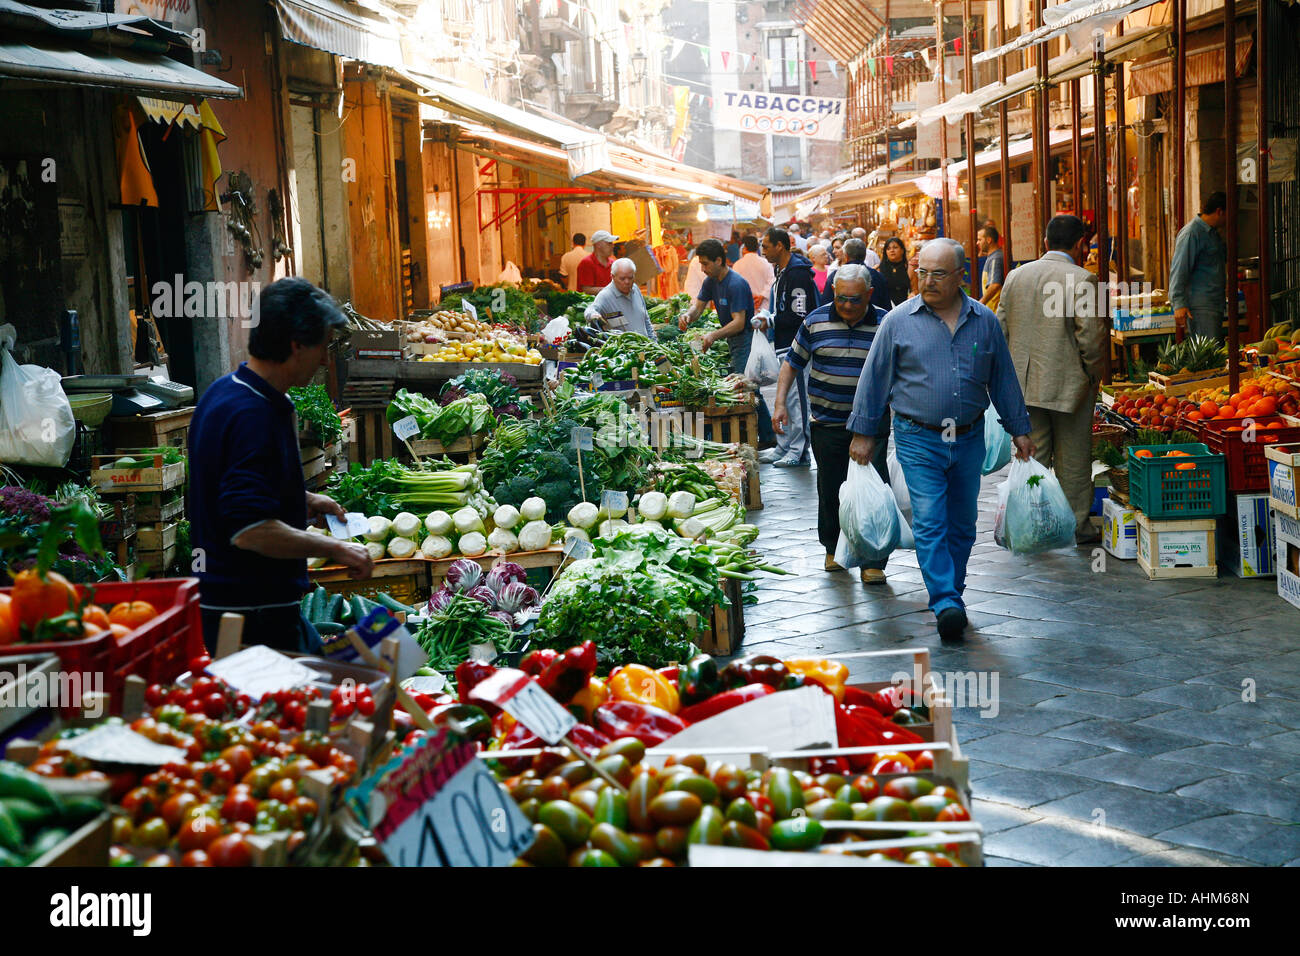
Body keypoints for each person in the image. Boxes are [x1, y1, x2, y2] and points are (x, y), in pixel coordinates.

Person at [848, 239, 1035, 641]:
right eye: (922, 272)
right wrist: (863, 433)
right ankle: (946, 601)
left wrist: (1019, 428)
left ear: (960, 276)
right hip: (918, 436)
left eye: (937, 273)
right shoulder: (898, 322)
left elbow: (1002, 377)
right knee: (930, 519)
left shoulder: (984, 321)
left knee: (963, 524)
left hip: (967, 438)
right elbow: (874, 378)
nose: (926, 281)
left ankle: (955, 591)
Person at [188, 278, 374, 653]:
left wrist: (299, 497)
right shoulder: (251, 413)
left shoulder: (227, 391)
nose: (325, 359)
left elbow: (233, 486)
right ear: (296, 344)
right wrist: (335, 548)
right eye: (322, 346)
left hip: (252, 607)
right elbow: (248, 530)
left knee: (349, 666)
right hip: (250, 618)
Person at [776, 265, 892, 585]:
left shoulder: (886, 323)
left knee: (873, 490)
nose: (847, 306)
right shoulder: (815, 320)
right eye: (841, 298)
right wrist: (779, 402)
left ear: (869, 294)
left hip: (871, 424)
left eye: (854, 300)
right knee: (831, 488)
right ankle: (834, 548)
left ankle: (873, 559)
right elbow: (792, 364)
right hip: (827, 421)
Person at [997, 215, 1104, 542]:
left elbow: (999, 330)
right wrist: (1090, 376)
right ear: (1079, 245)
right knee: (1074, 461)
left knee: (1032, 457)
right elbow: (1093, 339)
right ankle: (1075, 527)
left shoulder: (1015, 277)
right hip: (1071, 386)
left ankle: (1032, 525)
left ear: (1045, 243)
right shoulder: (1086, 279)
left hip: (1024, 387)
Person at [677, 238, 776, 447]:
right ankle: (761, 436)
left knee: (747, 388)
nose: (702, 269)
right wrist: (687, 315)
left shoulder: (736, 283)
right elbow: (698, 308)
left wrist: (712, 336)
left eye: (705, 263)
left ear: (719, 260)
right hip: (731, 340)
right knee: (746, 389)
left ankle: (767, 437)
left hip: (744, 340)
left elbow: (739, 323)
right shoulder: (710, 282)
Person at [761, 226, 820, 466]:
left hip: (798, 345)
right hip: (784, 344)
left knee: (797, 401)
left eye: (765, 246)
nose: (762, 251)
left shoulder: (797, 274)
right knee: (784, 397)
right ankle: (783, 446)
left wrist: (770, 319)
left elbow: (799, 314)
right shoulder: (782, 271)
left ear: (780, 246)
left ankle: (800, 450)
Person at [1169, 191, 1228, 342]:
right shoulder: (1192, 233)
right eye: (1228, 214)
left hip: (1214, 303)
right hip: (1202, 307)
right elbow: (1179, 268)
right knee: (1208, 356)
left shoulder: (1212, 234)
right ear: (1219, 212)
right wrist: (1179, 303)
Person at [584, 257, 656, 339]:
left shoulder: (635, 289)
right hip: (625, 350)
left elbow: (646, 320)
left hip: (646, 348)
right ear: (613, 276)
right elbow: (590, 309)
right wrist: (593, 315)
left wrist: (654, 341)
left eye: (630, 278)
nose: (627, 282)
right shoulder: (605, 296)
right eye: (622, 278)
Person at [820, 238, 893, 314]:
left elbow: (825, 307)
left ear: (846, 256)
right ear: (864, 256)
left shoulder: (836, 276)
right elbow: (886, 309)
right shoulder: (878, 277)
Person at [731, 234, 775, 310]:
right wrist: (762, 296)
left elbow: (735, 285)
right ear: (757, 247)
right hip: (763, 306)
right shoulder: (766, 263)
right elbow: (772, 281)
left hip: (744, 305)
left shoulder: (737, 265)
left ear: (744, 248)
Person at [879, 237, 913, 308]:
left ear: (902, 250)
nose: (892, 250)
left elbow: (915, 290)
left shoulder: (909, 268)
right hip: (886, 307)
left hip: (905, 306)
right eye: (888, 249)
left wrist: (912, 294)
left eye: (895, 247)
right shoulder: (879, 268)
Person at [978, 225, 1005, 308]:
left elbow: (994, 284)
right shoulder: (993, 257)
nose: (977, 243)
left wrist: (981, 303)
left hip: (995, 312)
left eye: (979, 239)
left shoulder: (995, 258)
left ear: (989, 240)